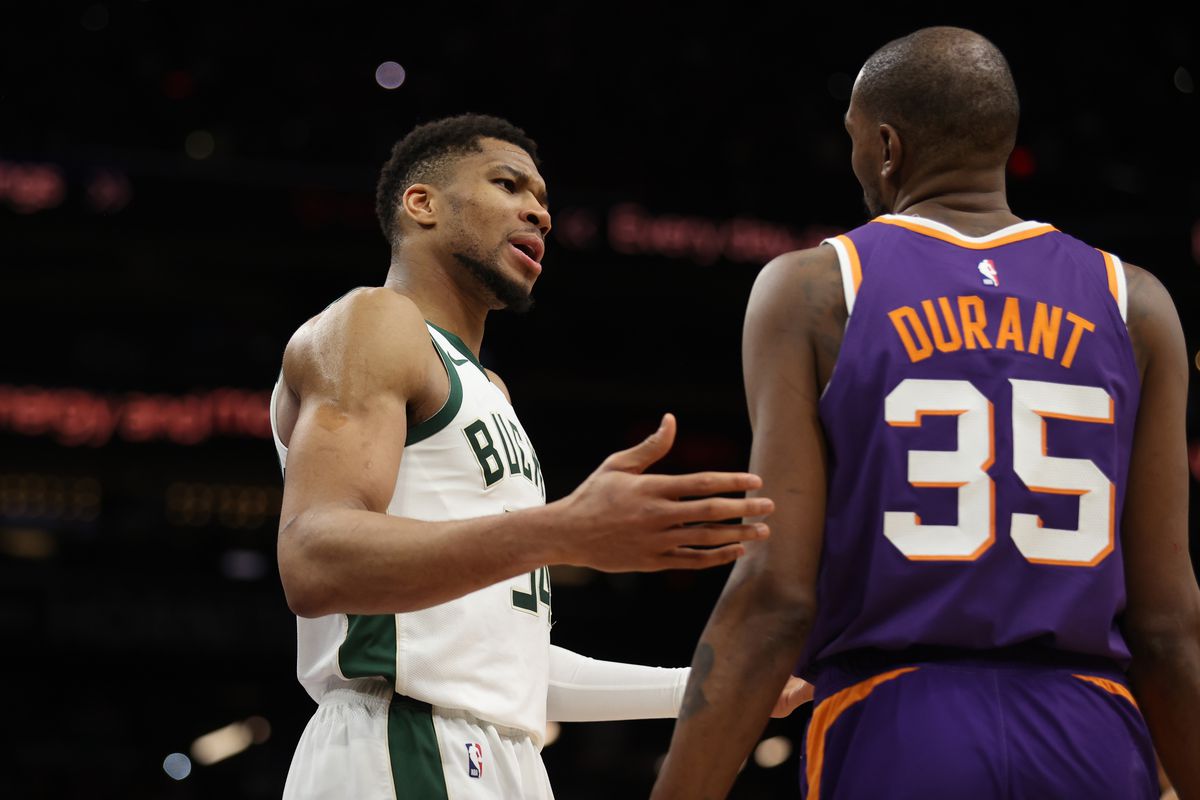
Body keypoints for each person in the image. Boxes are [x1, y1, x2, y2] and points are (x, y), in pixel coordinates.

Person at [652, 26, 1200, 799]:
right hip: (1094, 733)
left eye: (851, 140)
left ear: (885, 145)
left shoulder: (815, 287)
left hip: (899, 724)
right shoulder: (1135, 301)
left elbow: (777, 596)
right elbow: (1168, 626)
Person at [268, 113, 780, 799]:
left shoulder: (491, 391)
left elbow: (505, 663)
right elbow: (312, 557)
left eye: (543, 201)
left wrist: (726, 686)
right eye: (508, 185)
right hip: (401, 744)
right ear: (421, 204)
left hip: (500, 756)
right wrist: (566, 530)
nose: (538, 211)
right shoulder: (373, 321)